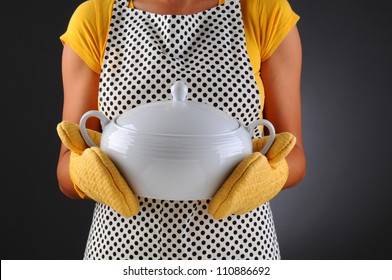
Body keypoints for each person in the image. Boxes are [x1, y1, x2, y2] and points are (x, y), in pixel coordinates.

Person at [56, 0, 306, 260]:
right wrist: (85, 171)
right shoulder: (95, 17)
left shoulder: (264, 11)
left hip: (239, 249)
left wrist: (269, 176)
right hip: (123, 249)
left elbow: (294, 153)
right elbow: (66, 168)